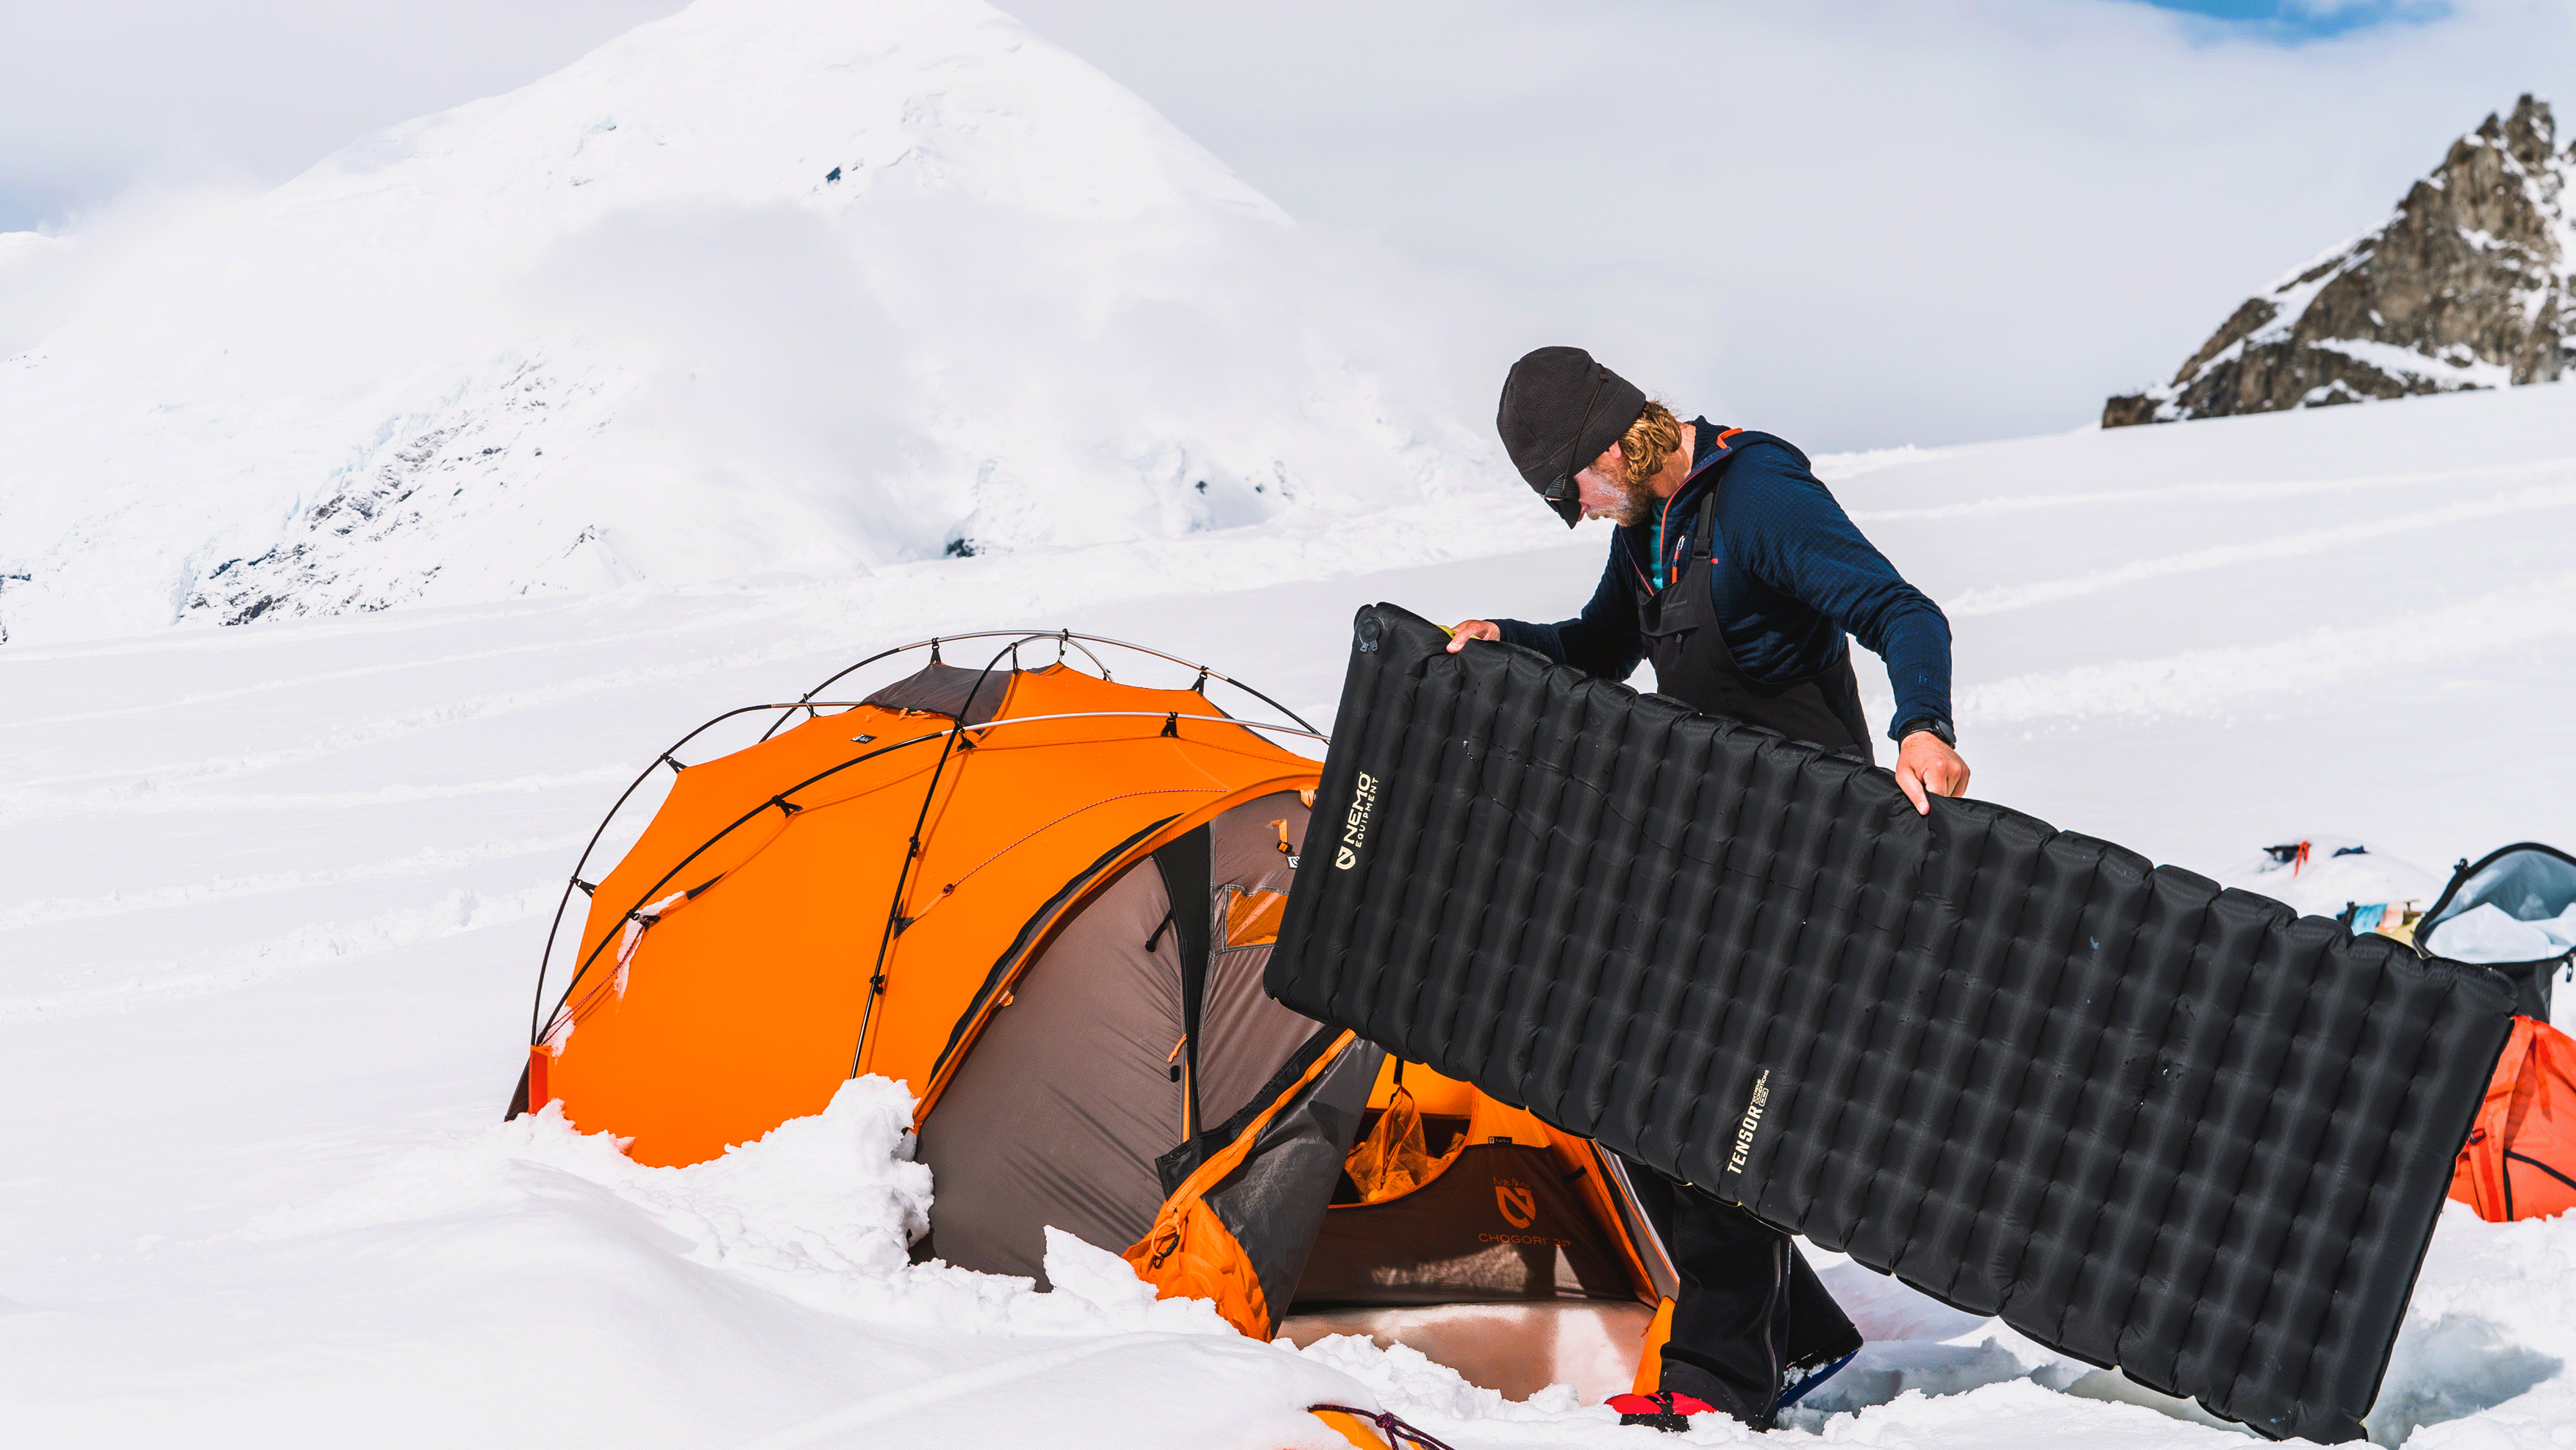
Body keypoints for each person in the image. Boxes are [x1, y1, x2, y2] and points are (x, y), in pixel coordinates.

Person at [1449, 346, 1970, 1430]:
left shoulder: (1761, 499)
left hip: (1819, 861)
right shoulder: (1651, 527)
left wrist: (1924, 726)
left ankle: (1722, 1386)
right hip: (1725, 863)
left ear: (1608, 446)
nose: (1583, 513)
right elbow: (1598, 647)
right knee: (1626, 1086)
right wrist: (1511, 644)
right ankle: (1793, 1332)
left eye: (1574, 492)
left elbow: (1903, 612)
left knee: (1708, 1097)